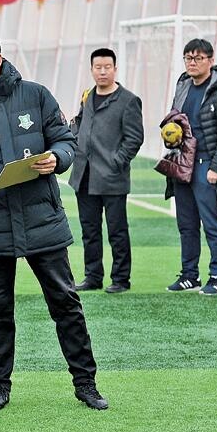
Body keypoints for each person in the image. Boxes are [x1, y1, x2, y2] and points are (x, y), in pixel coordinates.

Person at [0, 29, 108, 411]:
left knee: (65, 303)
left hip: (42, 219)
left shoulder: (35, 95)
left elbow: (65, 141)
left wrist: (57, 158)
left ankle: (86, 384)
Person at [166, 39, 217, 295]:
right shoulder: (183, 86)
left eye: (198, 58)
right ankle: (189, 275)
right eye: (188, 58)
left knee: (213, 223)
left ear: (211, 61)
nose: (192, 63)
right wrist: (170, 136)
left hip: (207, 165)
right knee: (186, 224)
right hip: (183, 164)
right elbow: (175, 120)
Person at [69, 48, 144, 294]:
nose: (102, 71)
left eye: (107, 67)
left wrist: (117, 162)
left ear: (115, 69)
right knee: (89, 231)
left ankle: (121, 279)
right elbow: (80, 124)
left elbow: (134, 138)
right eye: (98, 67)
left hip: (111, 177)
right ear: (91, 69)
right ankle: (93, 276)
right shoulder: (88, 96)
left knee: (117, 231)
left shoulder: (128, 100)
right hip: (84, 176)